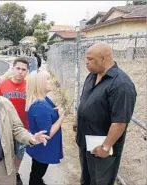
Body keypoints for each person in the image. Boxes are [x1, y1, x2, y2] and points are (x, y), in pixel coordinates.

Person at [75, 42, 137, 185]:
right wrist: (77, 121)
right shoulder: (92, 76)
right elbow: (85, 100)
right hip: (85, 140)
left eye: (90, 59)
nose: (86, 62)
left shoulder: (121, 85)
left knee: (100, 181)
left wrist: (105, 147)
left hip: (101, 147)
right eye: (86, 58)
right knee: (86, 179)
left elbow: (120, 122)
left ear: (104, 59)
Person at [25, 70, 65, 185]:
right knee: (37, 174)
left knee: (37, 172)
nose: (50, 81)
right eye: (47, 79)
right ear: (39, 84)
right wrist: (61, 117)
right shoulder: (40, 106)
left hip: (40, 149)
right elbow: (47, 134)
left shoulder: (43, 100)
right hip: (42, 149)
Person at [0, 57, 29, 185]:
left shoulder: (29, 86)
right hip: (4, 128)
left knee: (19, 154)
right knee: (5, 155)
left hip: (22, 128)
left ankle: (15, 174)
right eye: (18, 68)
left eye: (23, 69)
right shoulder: (2, 86)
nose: (20, 72)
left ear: (27, 71)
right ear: (13, 68)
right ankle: (5, 176)